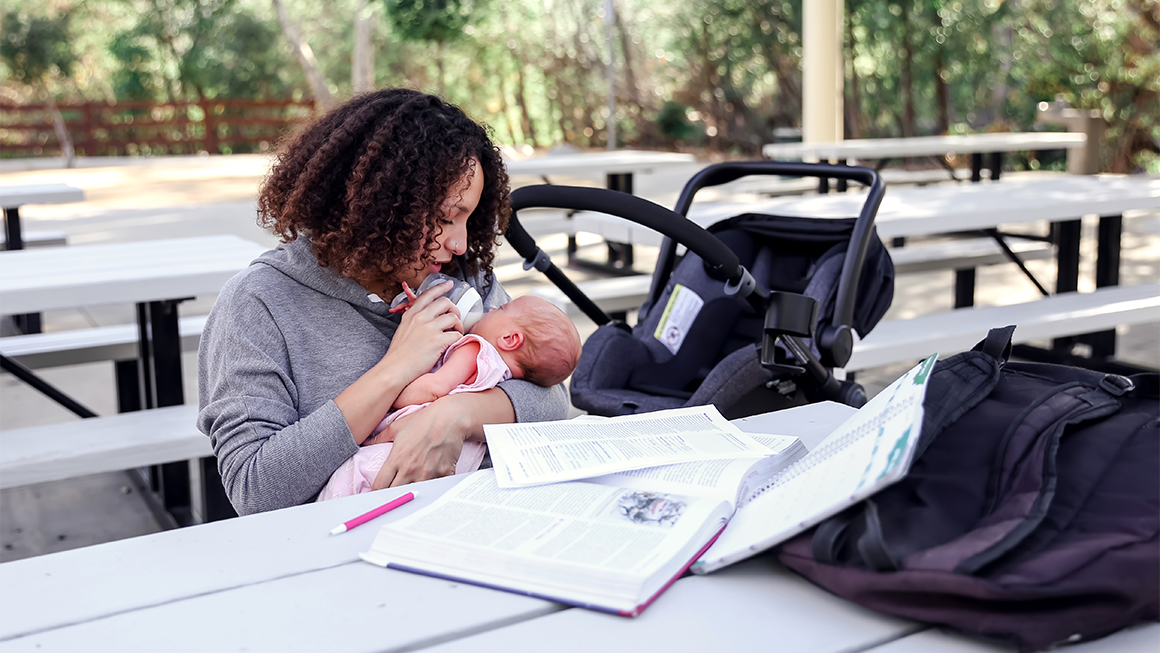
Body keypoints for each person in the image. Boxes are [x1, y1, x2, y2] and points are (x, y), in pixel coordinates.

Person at [197, 89, 570, 515]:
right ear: (378, 208)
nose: (461, 243)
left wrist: (454, 416)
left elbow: (553, 398)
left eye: (469, 218)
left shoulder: (462, 282)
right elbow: (256, 489)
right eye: (446, 218)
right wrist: (396, 368)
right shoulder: (258, 305)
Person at [319, 293, 582, 500]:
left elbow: (435, 387)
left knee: (351, 479)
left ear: (510, 339)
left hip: (401, 449)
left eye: (501, 309)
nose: (491, 308)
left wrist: (391, 393)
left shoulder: (476, 350)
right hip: (463, 461)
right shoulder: (506, 373)